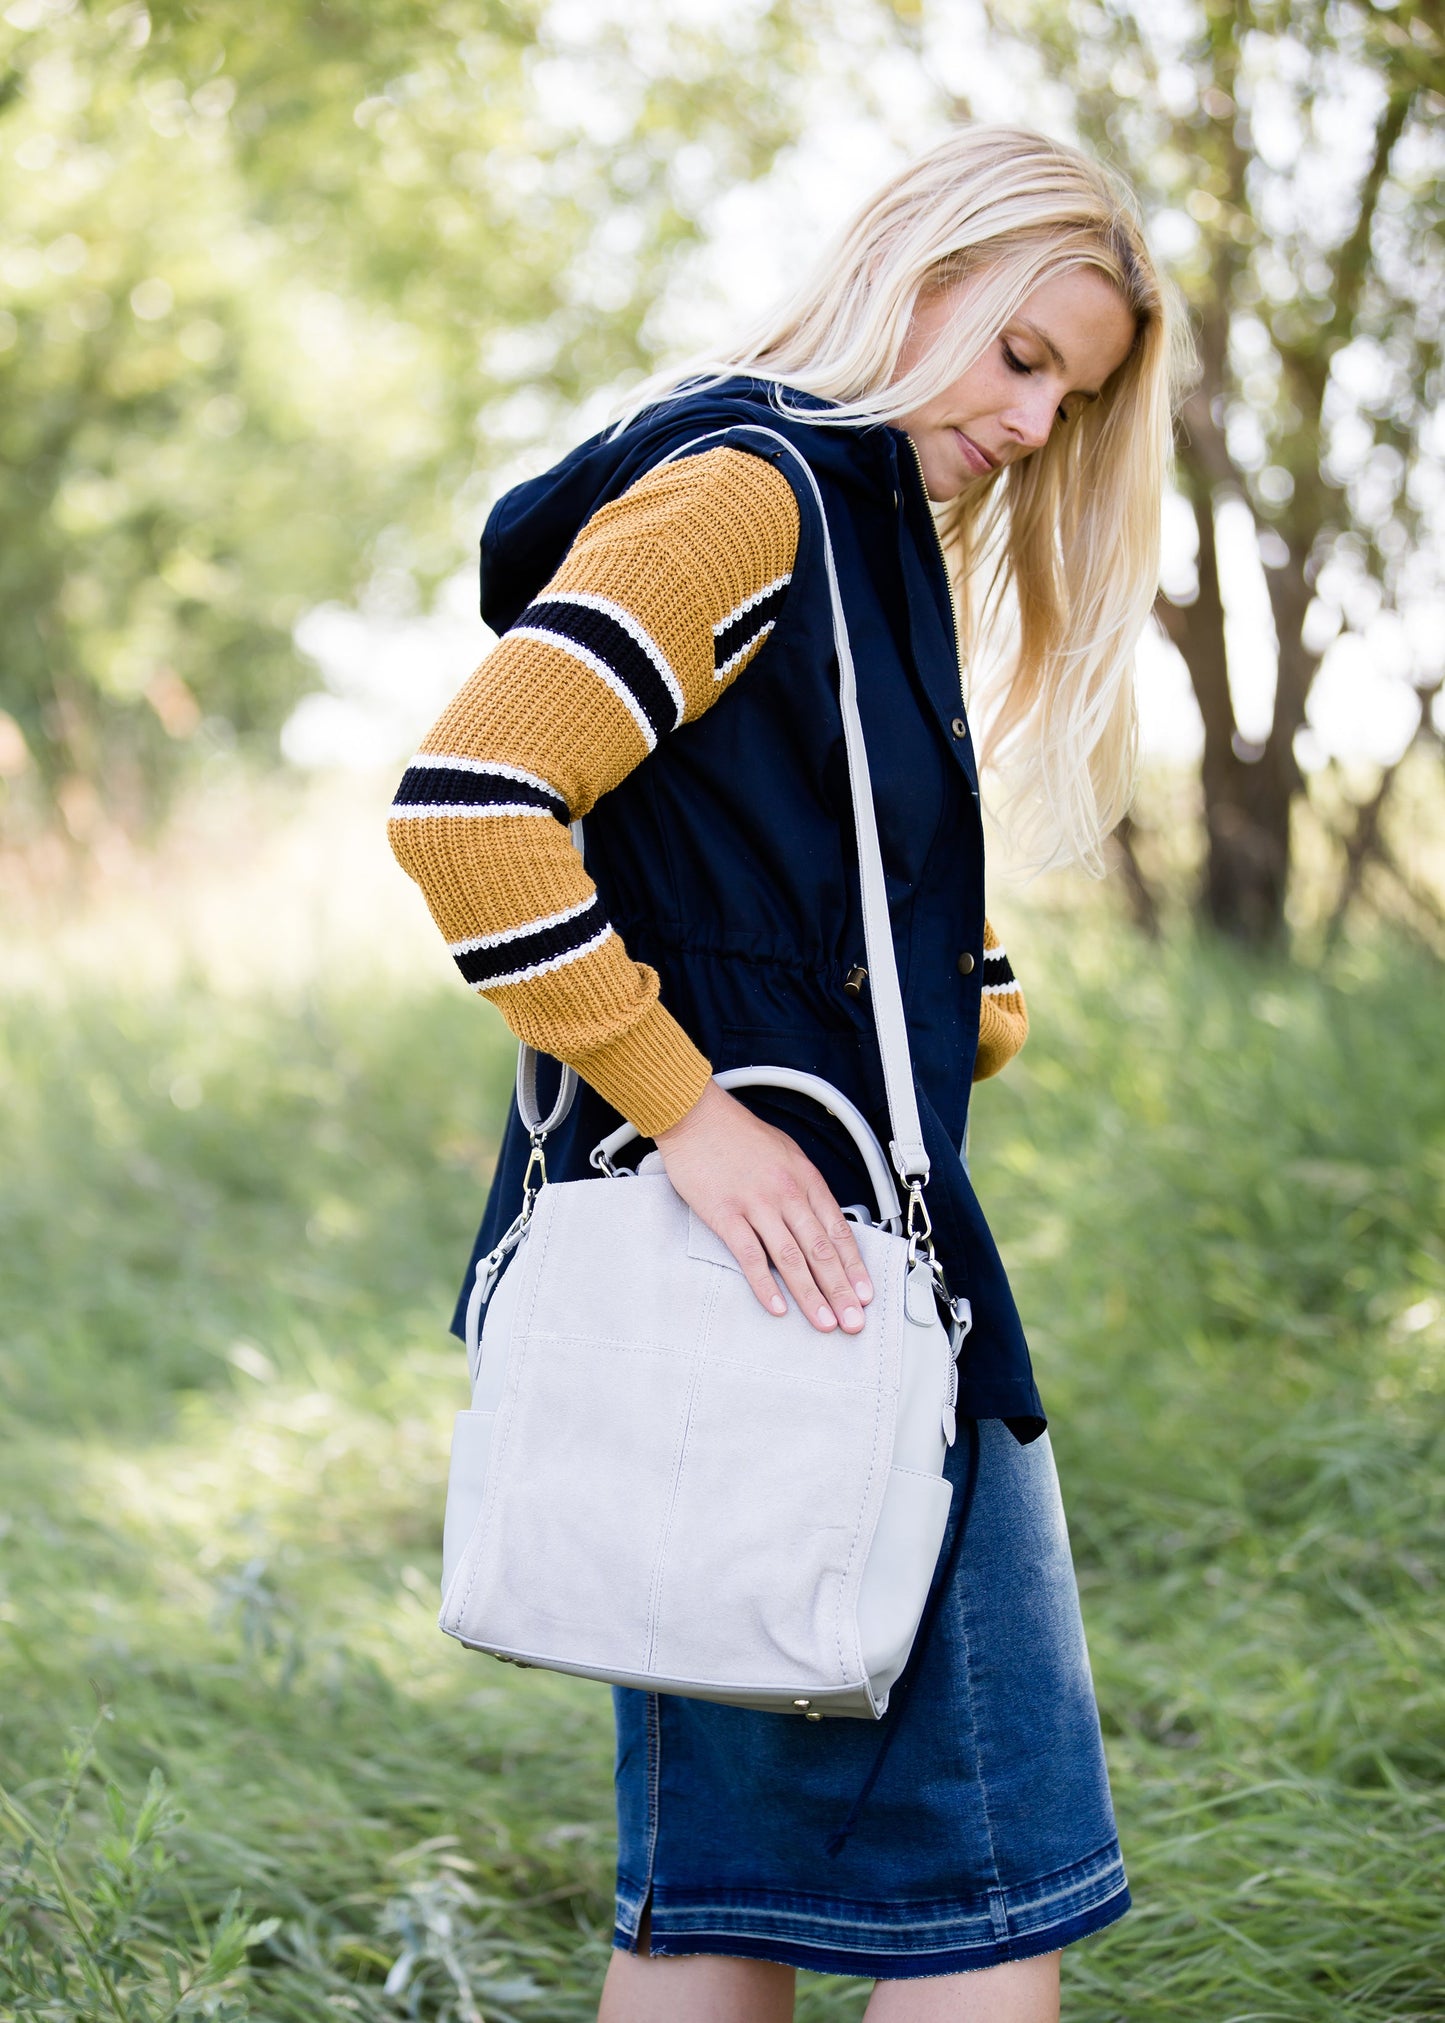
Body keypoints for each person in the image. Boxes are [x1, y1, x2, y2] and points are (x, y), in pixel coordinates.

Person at [389, 123, 1188, 2023]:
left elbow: (743, 860)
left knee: (717, 1903)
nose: (1026, 422)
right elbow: (472, 809)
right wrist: (701, 1111)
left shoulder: (846, 537)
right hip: (805, 1284)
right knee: (993, 1891)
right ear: (914, 276)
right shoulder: (756, 495)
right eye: (1015, 353)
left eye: (1065, 397)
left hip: (736, 1301)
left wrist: (943, 992)